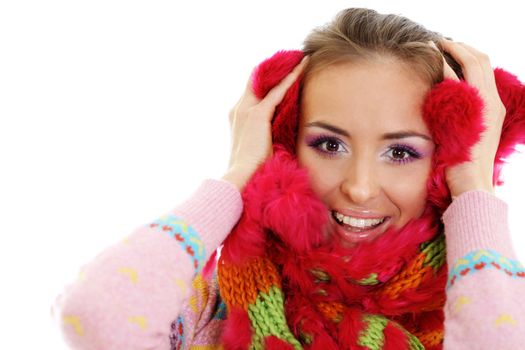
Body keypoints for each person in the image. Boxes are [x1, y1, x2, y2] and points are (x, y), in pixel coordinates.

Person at [52, 8, 525, 349]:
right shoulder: (210, 305)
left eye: (401, 152)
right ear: (284, 145)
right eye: (329, 145)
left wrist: (474, 190)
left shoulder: (489, 298)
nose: (359, 186)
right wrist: (238, 177)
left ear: (445, 163)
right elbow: (95, 314)